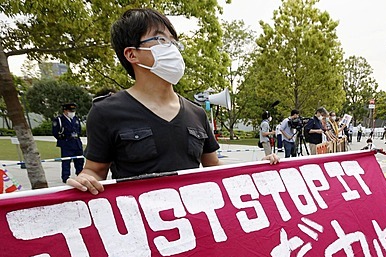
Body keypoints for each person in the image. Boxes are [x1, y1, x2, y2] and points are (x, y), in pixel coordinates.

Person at [67, 8, 277, 195]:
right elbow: (95, 170)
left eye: (173, 41)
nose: (172, 48)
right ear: (132, 54)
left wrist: (255, 167)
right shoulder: (106, 112)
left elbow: (213, 165)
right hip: (142, 228)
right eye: (160, 40)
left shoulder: (196, 113)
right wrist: (84, 179)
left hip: (195, 222)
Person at [52, 103, 84, 183]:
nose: (72, 112)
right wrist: (63, 139)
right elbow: (55, 132)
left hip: (76, 142)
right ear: (65, 111)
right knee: (66, 161)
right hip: (66, 143)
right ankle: (65, 176)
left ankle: (80, 173)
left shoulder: (75, 119)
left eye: (73, 111)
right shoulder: (59, 120)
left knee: (79, 160)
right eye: (70, 111)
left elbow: (79, 130)